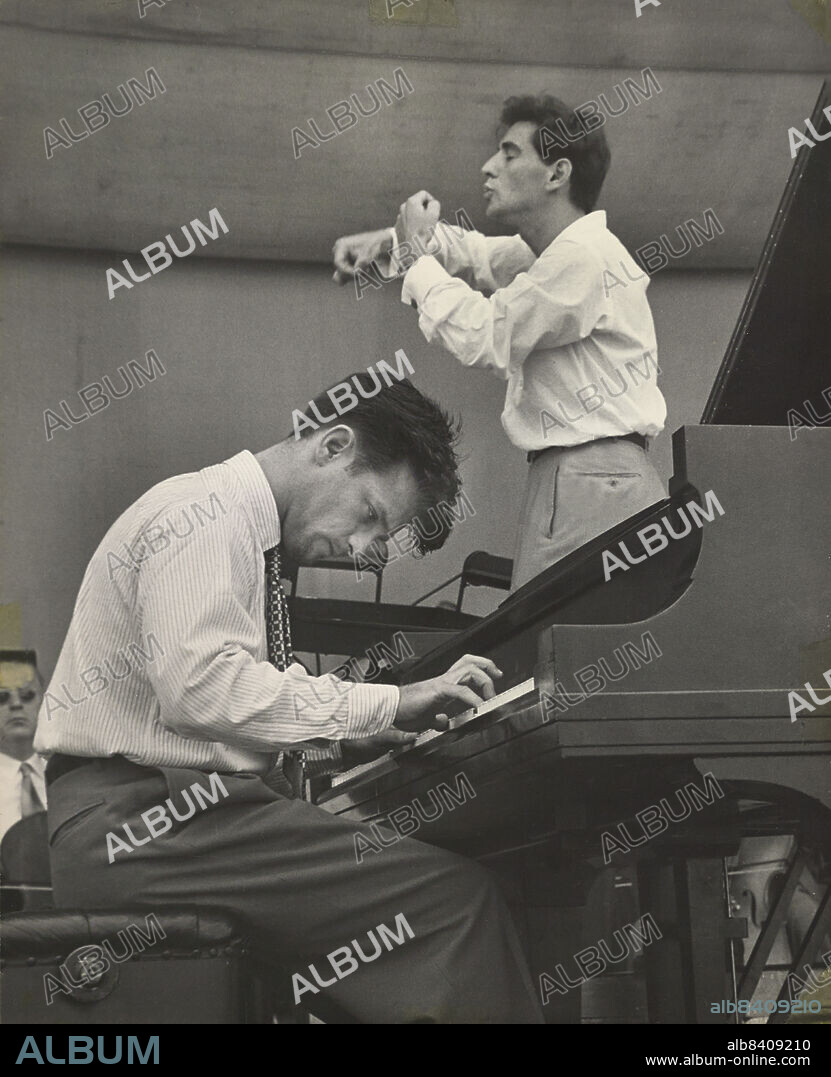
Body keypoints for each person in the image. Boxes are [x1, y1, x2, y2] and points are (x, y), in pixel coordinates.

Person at [34, 373, 543, 1024]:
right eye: (369, 517)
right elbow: (201, 687)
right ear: (332, 445)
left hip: (168, 826)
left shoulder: (243, 532)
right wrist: (384, 703)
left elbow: (223, 697)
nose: (363, 552)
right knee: (454, 905)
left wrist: (351, 731)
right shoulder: (209, 513)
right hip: (147, 830)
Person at [333, 93, 668, 589]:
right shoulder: (564, 252)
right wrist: (392, 239)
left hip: (591, 482)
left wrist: (412, 257)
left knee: (559, 647)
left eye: (510, 154)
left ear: (557, 173)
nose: (489, 167)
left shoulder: (581, 259)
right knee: (561, 647)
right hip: (592, 480)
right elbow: (476, 252)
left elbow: (487, 336)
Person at [0, 650, 47, 845]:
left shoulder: (69, 776)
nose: (16, 704)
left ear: (43, 702)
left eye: (27, 695)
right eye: (2, 697)